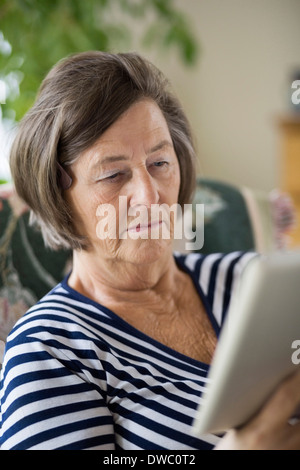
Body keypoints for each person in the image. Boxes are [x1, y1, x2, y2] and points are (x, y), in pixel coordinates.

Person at [0, 51, 299, 450]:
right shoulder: (51, 349)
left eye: (159, 162)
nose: (149, 195)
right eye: (113, 174)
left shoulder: (255, 279)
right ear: (58, 197)